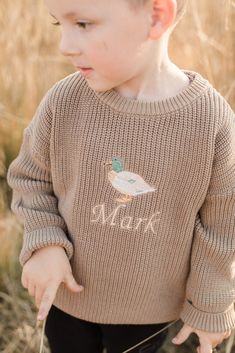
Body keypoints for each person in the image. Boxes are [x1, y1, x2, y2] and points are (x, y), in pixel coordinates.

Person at [6, 0, 235, 352]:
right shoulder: (64, 101)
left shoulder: (211, 121)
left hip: (148, 312)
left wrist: (209, 304)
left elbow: (221, 227)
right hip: (68, 297)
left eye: (82, 24)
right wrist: (45, 242)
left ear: (157, 16)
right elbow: (30, 180)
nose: (64, 45)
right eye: (58, 25)